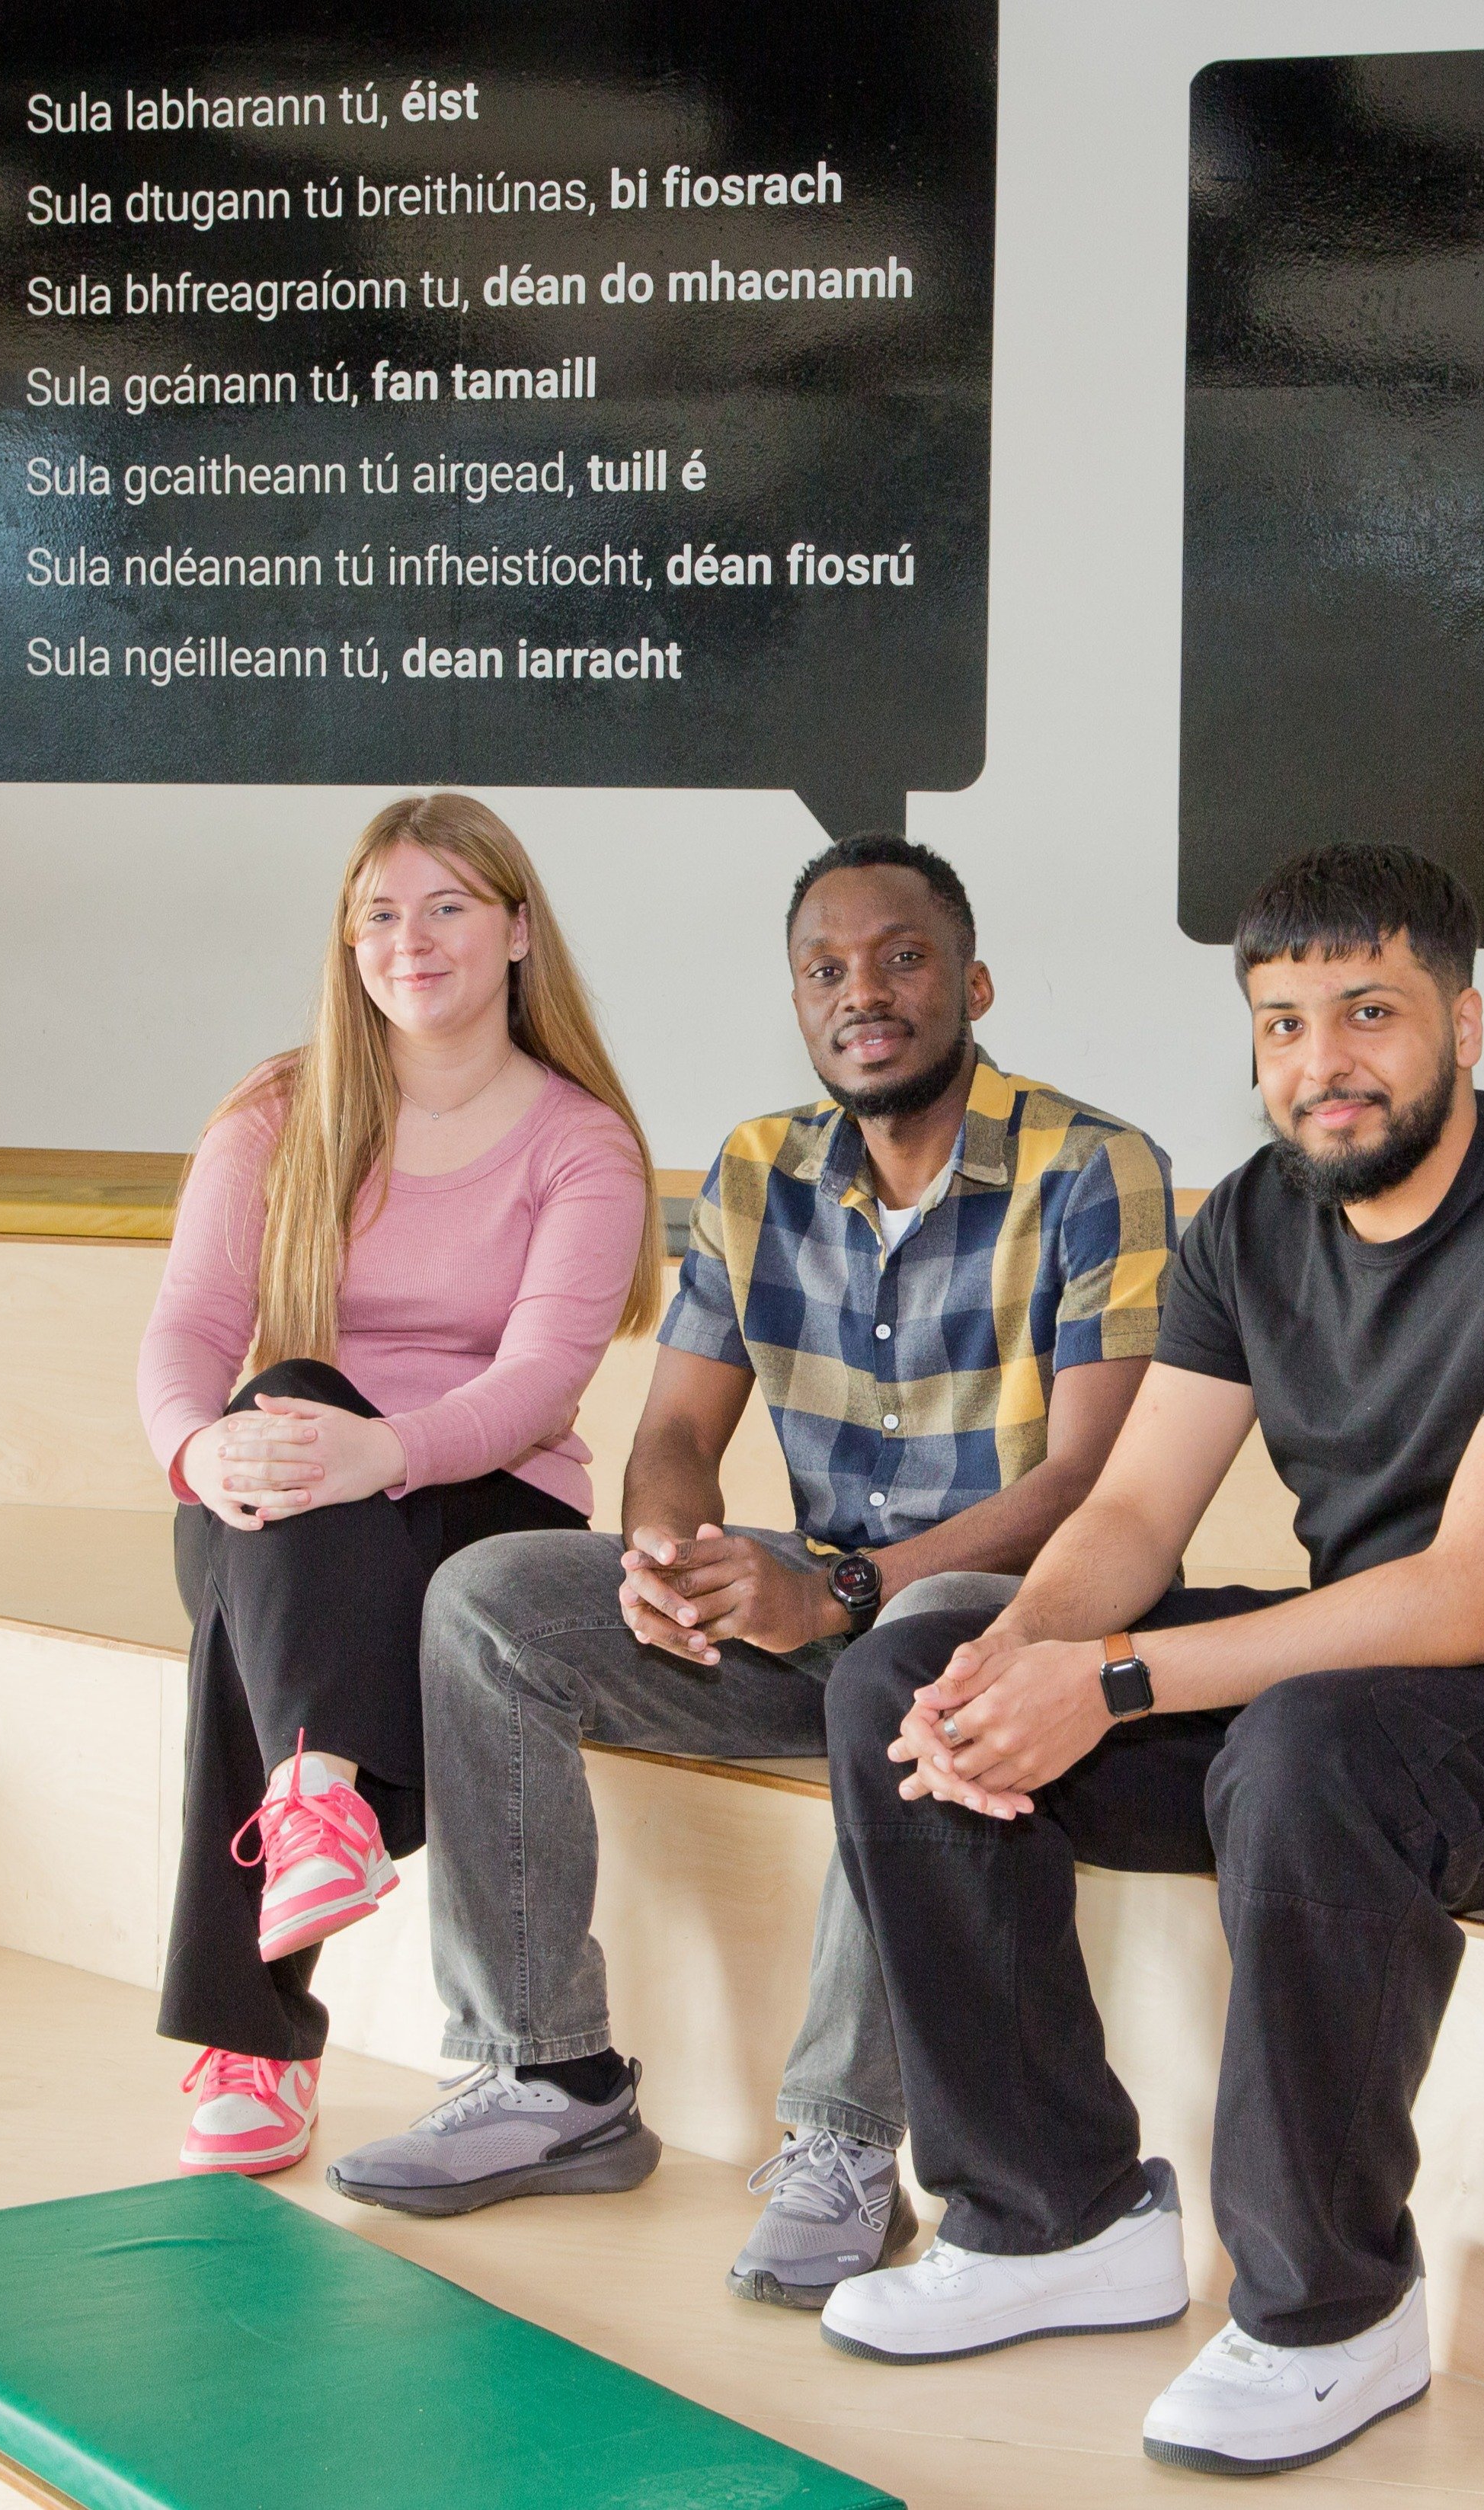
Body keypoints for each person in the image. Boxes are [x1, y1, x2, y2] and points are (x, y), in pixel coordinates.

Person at [815, 842, 1484, 2478]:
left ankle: (1331, 2310)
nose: (1325, 1064)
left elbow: (1468, 1601)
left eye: (1369, 1014)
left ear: (1462, 1021)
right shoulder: (1245, 1225)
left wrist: (1108, 1686)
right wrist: (1017, 1656)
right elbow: (1132, 1517)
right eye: (1286, 1024)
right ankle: (1049, 2219)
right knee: (907, 1673)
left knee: (1307, 1748)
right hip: (1355, 1693)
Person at [324, 832, 1177, 2313]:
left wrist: (849, 1589)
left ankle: (844, 2147)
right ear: (799, 1002)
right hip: (817, 1597)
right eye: (825, 969)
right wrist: (667, 1552)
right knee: (486, 1603)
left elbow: (1084, 1489)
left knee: (912, 1639)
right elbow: (672, 1430)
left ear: (970, 982)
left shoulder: (1095, 1168)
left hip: (1005, 1612)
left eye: (901, 958)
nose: (864, 992)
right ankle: (547, 2075)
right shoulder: (757, 1169)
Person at [136, 793, 657, 2177]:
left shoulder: (580, 1142)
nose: (409, 940)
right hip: (291, 1505)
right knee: (279, 1408)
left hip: (488, 1502)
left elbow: (545, 1379)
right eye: (380, 911)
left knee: (264, 1558)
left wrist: (388, 1449)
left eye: (447, 907)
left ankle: (255, 2035)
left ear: (517, 932)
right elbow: (186, 1335)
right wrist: (196, 1449)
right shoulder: (273, 1113)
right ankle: (319, 1805)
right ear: (347, 939)